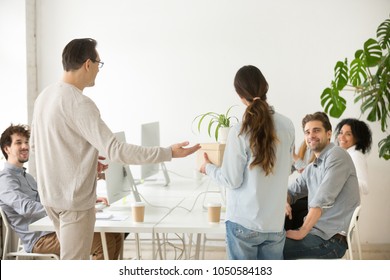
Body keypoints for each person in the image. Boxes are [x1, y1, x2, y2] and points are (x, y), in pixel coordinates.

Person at [30, 38, 201, 259]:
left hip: (50, 197)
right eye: (99, 64)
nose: (99, 71)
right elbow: (117, 150)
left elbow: (37, 146)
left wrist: (86, 163)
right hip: (73, 202)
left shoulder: (44, 96)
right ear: (88, 64)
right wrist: (168, 153)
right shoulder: (80, 103)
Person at [200, 65, 295, 260]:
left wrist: (207, 168)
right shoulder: (288, 126)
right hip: (274, 225)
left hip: (243, 224)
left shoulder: (240, 130)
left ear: (239, 95)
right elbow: (288, 168)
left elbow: (232, 180)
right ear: (265, 87)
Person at [0, 124, 122, 259]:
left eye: (26, 142)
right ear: (7, 149)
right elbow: (26, 208)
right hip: (39, 239)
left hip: (53, 228)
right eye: (18, 143)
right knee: (104, 241)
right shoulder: (5, 181)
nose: (25, 146)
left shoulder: (27, 176)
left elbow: (52, 196)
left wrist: (83, 198)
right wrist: (65, 208)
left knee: (115, 234)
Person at [283, 112, 360, 259]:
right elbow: (291, 192)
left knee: (269, 249)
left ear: (329, 134)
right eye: (307, 132)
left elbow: (322, 199)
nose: (311, 135)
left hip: (331, 241)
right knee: (267, 243)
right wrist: (285, 201)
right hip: (315, 234)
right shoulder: (312, 168)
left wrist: (302, 231)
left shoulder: (337, 155)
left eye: (316, 130)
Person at [334, 118, 372, 195]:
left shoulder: (356, 155)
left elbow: (364, 187)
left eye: (348, 134)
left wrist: (338, 180)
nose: (342, 137)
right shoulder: (345, 155)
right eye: (341, 133)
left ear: (358, 138)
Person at [284, 141, 315, 230]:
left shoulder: (321, 152)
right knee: (286, 207)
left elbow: (308, 174)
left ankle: (288, 237)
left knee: (291, 209)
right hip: (300, 194)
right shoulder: (304, 147)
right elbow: (288, 170)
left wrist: (294, 156)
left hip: (310, 196)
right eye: (307, 132)